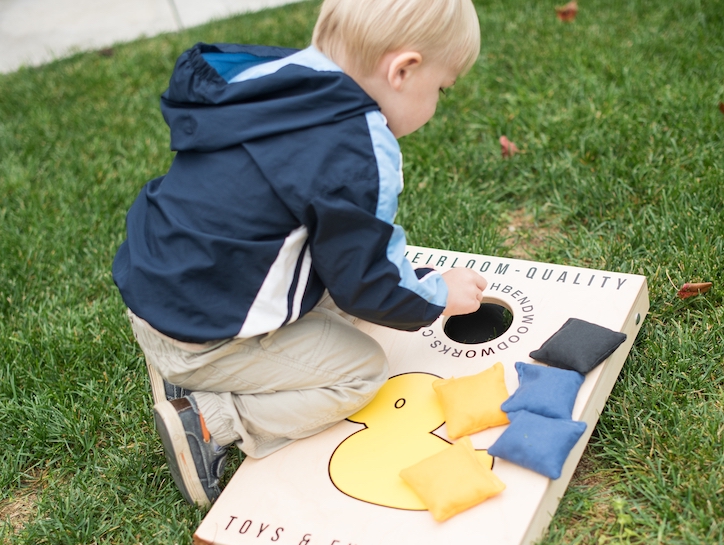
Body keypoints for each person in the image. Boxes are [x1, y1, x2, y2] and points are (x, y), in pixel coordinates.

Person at [112, 0, 487, 508]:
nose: (438, 103)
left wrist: (408, 278)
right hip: (205, 334)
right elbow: (366, 285)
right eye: (441, 89)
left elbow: (337, 250)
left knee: (344, 316)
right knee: (362, 369)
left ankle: (190, 368)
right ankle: (208, 420)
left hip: (165, 294)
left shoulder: (275, 80)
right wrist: (437, 295)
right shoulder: (355, 146)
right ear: (403, 70)